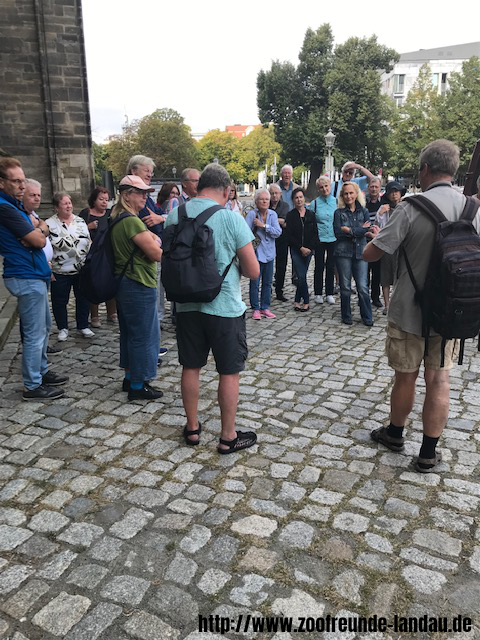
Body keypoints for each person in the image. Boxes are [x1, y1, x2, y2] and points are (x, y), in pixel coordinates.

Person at [364, 139, 480, 472]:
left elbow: (373, 253)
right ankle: (428, 452)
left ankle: (395, 433)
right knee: (440, 379)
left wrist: (376, 234)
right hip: (453, 312)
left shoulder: (411, 208)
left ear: (425, 169)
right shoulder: (473, 210)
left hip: (409, 310)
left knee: (406, 377)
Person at [164, 163, 260, 454]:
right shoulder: (230, 219)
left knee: (190, 367)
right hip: (224, 308)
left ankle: (192, 428)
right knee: (229, 372)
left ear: (200, 185)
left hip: (185, 305)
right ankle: (228, 436)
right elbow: (254, 271)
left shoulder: (174, 215)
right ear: (227, 190)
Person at [0, 157, 68, 400]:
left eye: (22, 180)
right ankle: (33, 385)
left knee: (43, 327)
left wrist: (37, 229)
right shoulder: (6, 207)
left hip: (34, 274)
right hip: (25, 275)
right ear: (1, 182)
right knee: (34, 333)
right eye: (16, 181)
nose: (21, 185)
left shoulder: (15, 205)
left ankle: (41, 371)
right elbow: (40, 239)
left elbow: (41, 226)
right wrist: (38, 231)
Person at [111, 175, 163, 400]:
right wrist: (156, 241)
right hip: (138, 281)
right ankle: (138, 385)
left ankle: (130, 377)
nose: (145, 196)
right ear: (126, 195)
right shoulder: (132, 221)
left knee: (130, 334)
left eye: (146, 192)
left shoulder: (117, 217)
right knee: (144, 335)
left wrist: (153, 239)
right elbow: (156, 254)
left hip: (125, 282)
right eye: (140, 192)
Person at [127, 155, 168, 358]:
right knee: (148, 309)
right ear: (134, 172)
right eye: (146, 171)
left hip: (150, 259)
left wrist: (161, 219)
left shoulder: (147, 198)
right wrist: (156, 240)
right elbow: (144, 231)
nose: (150, 175)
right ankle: (149, 351)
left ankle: (153, 344)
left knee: (155, 303)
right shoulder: (132, 205)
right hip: (144, 262)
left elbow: (160, 215)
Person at [22, 179, 62, 357]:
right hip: (31, 273)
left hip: (42, 270)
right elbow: (37, 240)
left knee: (43, 321)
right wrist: (41, 229)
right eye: (32, 195)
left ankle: (43, 349)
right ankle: (34, 374)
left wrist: (40, 227)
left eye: (39, 195)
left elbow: (43, 229)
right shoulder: (22, 216)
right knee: (34, 323)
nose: (37, 198)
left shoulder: (35, 216)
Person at [47, 192, 93, 341]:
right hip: (59, 270)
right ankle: (63, 328)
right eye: (64, 203)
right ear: (56, 207)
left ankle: (83, 325)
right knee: (60, 301)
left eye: (69, 203)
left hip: (81, 268)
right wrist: (48, 268)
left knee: (83, 297)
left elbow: (88, 241)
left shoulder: (80, 221)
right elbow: (45, 248)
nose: (69, 206)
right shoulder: (49, 224)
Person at [333, 182, 375, 326]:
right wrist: (358, 230)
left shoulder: (363, 211)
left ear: (356, 194)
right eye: (346, 193)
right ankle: (346, 315)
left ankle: (367, 316)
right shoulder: (338, 213)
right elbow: (338, 232)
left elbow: (367, 229)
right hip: (343, 253)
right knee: (345, 286)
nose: (349, 196)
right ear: (342, 196)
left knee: (363, 286)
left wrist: (349, 231)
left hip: (360, 252)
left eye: (351, 193)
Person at [79, 186, 117, 328]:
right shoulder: (85, 213)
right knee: (93, 282)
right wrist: (88, 227)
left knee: (109, 281)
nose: (104, 202)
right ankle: (94, 316)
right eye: (101, 199)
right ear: (94, 199)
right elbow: (77, 229)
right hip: (92, 254)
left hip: (107, 253)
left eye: (106, 200)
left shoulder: (110, 213)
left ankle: (111, 312)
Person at [245, 189, 281, 319]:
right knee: (255, 281)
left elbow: (278, 232)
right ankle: (255, 308)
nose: (265, 201)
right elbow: (245, 233)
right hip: (256, 253)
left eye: (267, 199)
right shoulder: (251, 215)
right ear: (256, 201)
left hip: (270, 253)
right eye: (262, 199)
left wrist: (263, 226)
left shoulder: (273, 215)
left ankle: (265, 307)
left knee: (267, 282)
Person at [375, 181, 406, 314]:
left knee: (400, 275)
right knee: (386, 275)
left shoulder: (405, 207)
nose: (394, 195)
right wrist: (381, 214)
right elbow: (378, 226)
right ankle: (387, 305)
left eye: (396, 192)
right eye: (391, 192)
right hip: (387, 246)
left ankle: (398, 304)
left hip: (402, 245)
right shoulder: (383, 208)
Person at [285, 187, 317, 312]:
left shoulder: (311, 214)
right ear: (293, 200)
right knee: (301, 276)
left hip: (308, 251)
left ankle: (297, 300)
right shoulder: (291, 215)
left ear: (304, 198)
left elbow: (315, 234)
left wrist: (309, 248)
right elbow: (289, 235)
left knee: (302, 275)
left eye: (301, 197)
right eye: (296, 198)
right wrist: (300, 247)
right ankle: (307, 301)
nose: (299, 200)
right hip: (296, 250)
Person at [308, 176, 337, 305]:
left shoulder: (336, 201)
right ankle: (318, 292)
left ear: (330, 187)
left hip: (333, 238)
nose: (324, 189)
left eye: (326, 186)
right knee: (319, 266)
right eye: (321, 187)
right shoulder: (314, 203)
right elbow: (309, 220)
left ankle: (329, 293)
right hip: (319, 238)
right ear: (318, 189)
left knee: (330, 266)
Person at [268, 184, 289, 301]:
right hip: (268, 240)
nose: (274, 195)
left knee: (281, 266)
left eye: (276, 193)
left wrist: (271, 220)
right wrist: (279, 221)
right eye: (272, 193)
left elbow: (286, 222)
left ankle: (279, 291)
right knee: (268, 265)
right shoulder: (266, 204)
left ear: (280, 194)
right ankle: (268, 290)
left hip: (282, 239)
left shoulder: (285, 206)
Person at [365, 177, 383, 308]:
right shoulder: (363, 202)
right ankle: (364, 296)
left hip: (378, 241)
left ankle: (375, 297)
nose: (374, 189)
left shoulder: (384, 204)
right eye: (372, 187)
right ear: (368, 188)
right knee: (364, 272)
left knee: (377, 272)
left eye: (376, 187)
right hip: (365, 240)